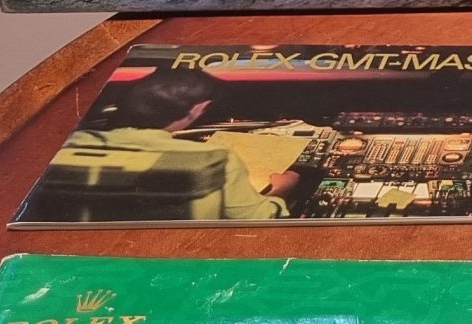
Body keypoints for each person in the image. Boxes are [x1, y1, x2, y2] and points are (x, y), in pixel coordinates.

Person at [65, 66, 300, 220]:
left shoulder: (71, 143)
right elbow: (258, 218)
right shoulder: (213, 159)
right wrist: (282, 188)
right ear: (199, 108)